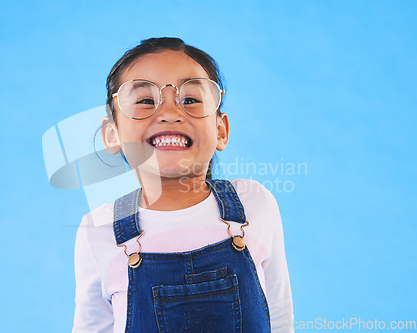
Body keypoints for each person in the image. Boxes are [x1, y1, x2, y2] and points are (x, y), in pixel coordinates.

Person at [72, 37, 294, 333]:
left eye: (190, 99)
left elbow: (279, 319)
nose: (169, 112)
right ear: (112, 134)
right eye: (145, 101)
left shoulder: (254, 204)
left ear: (220, 130)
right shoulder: (98, 230)